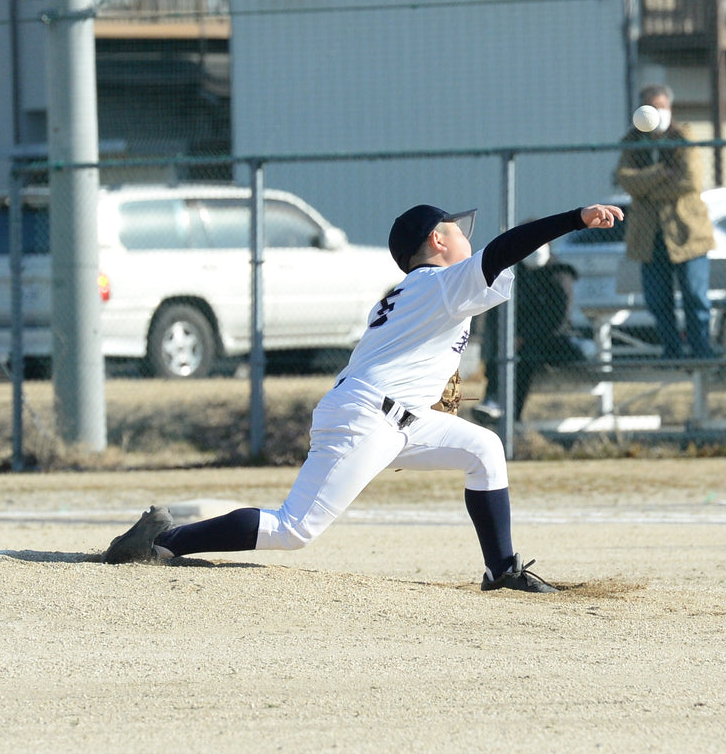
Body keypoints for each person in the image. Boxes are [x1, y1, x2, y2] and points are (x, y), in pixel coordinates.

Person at [103, 201, 624, 593]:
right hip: (365, 418)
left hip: (400, 418)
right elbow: (508, 247)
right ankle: (165, 540)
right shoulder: (439, 284)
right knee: (294, 529)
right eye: (455, 231)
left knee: (484, 450)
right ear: (436, 241)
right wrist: (575, 218)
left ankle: (502, 570)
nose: (467, 239)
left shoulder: (427, 289)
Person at [614, 84, 716, 359]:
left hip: (687, 234)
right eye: (652, 107)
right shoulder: (633, 142)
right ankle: (672, 350)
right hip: (649, 237)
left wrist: (647, 188)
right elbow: (625, 179)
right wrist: (661, 173)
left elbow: (690, 180)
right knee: (658, 300)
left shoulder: (683, 137)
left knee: (695, 297)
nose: (658, 113)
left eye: (662, 107)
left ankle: (702, 350)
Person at [474, 243, 586, 424]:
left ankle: (511, 417)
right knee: (502, 352)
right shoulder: (516, 275)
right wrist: (510, 337)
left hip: (554, 342)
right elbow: (501, 313)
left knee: (525, 357)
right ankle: (492, 400)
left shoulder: (559, 274)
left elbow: (557, 319)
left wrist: (523, 337)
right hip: (517, 341)